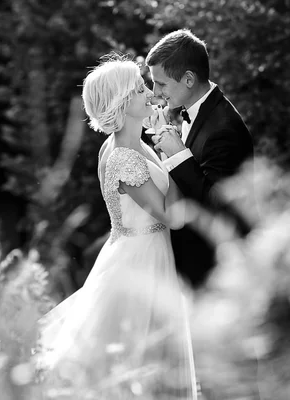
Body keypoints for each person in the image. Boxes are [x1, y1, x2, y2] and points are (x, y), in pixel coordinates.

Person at [35, 57, 197, 399]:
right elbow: (174, 217)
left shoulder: (132, 145)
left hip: (143, 255)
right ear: (122, 102)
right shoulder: (123, 155)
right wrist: (175, 156)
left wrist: (162, 144)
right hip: (141, 265)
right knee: (135, 362)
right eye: (139, 88)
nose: (148, 93)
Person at [147, 29, 254, 289]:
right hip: (189, 264)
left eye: (161, 83)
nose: (154, 91)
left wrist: (180, 154)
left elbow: (220, 205)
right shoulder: (196, 112)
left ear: (188, 79)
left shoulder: (223, 127)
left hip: (213, 270)